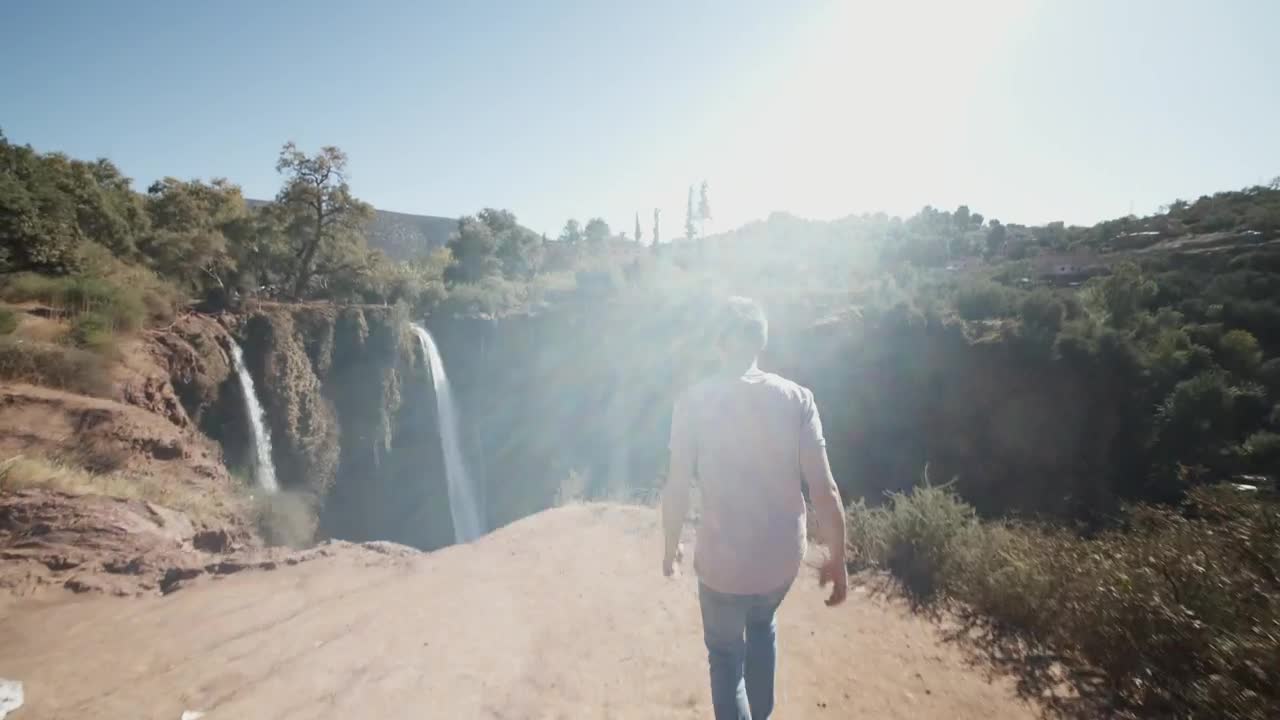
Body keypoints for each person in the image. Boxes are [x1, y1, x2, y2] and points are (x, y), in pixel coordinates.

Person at [662, 296, 849, 720]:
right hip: (781, 561)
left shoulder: (692, 402)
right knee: (762, 623)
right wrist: (838, 559)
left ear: (718, 341)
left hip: (722, 565)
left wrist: (670, 545)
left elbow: (676, 487)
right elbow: (825, 489)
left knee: (726, 657)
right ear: (760, 341)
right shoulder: (798, 398)